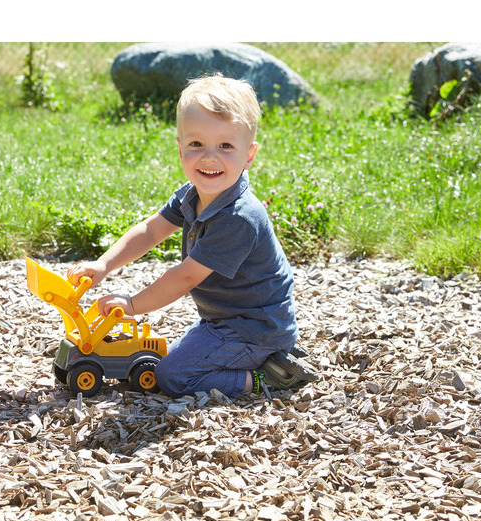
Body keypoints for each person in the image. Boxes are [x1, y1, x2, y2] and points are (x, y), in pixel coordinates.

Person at [67, 73, 316, 398]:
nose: (210, 157)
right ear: (180, 148)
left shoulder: (238, 217)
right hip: (225, 319)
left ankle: (267, 377)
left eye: (226, 146)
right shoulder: (192, 194)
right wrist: (104, 265)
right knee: (163, 361)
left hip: (256, 329)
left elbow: (185, 277)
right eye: (196, 144)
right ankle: (248, 360)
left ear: (249, 155)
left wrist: (132, 304)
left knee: (172, 376)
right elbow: (151, 230)